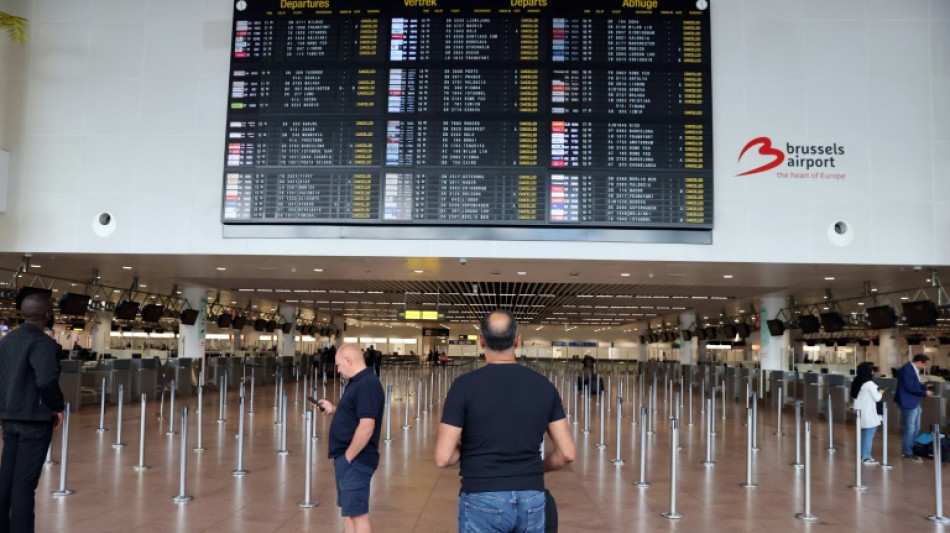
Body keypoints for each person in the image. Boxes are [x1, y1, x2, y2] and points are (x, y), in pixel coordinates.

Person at [434, 309, 575, 532]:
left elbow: (443, 457)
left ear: (481, 341)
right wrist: (538, 468)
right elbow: (567, 453)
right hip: (531, 494)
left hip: (481, 495)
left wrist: (468, 448)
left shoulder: (463, 387)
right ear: (518, 340)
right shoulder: (544, 386)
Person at [0, 292, 66, 532]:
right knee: (24, 487)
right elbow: (46, 381)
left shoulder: (6, 341)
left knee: (6, 483)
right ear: (47, 315)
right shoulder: (43, 343)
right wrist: (57, 406)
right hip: (34, 421)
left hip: (9, 418)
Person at [316, 344, 385, 533]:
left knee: (358, 515)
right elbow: (356, 413)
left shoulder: (367, 384)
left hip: (356, 461)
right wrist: (334, 409)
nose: (338, 370)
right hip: (348, 460)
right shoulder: (357, 382)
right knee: (349, 512)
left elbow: (367, 426)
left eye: (339, 365)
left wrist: (348, 457)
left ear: (348, 360)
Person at [895, 354, 933, 462]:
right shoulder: (907, 369)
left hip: (914, 401)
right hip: (908, 402)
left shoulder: (912, 369)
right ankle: (907, 453)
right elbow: (909, 387)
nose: (925, 367)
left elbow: (914, 384)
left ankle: (912, 449)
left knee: (916, 426)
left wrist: (924, 387)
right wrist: (924, 393)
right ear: (920, 362)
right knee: (910, 428)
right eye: (924, 365)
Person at [851, 362, 883, 465]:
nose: (873, 372)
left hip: (860, 411)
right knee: (869, 434)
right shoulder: (869, 383)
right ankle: (866, 457)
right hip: (868, 412)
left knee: (864, 434)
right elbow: (877, 398)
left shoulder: (857, 380)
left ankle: (862, 455)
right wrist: (881, 392)